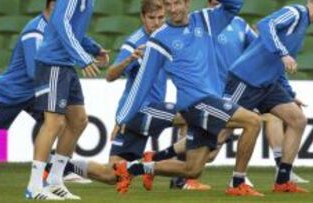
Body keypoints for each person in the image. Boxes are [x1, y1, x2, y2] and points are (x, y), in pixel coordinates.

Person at [113, 0, 265, 197]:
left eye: (177, 3)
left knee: (192, 170)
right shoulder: (159, 39)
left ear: (187, 3)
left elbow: (234, 5)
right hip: (197, 103)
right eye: (168, 5)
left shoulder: (206, 20)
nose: (173, 9)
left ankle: (133, 168)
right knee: (253, 122)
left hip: (208, 102)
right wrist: (123, 118)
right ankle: (238, 182)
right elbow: (143, 83)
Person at [168, 0, 308, 190]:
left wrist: (288, 93)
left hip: (239, 87)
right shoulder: (198, 23)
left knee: (273, 119)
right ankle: (171, 167)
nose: (218, 6)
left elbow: (265, 53)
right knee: (209, 148)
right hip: (210, 89)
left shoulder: (239, 25)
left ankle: (267, 176)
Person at [55, 0, 186, 191]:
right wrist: (130, 58)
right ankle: (169, 171)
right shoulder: (134, 43)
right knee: (193, 117)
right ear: (142, 17)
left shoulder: (166, 38)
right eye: (151, 18)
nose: (156, 23)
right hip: (140, 110)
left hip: (138, 115)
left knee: (111, 174)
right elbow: (110, 75)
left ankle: (61, 166)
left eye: (160, 18)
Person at [223, 0, 313, 193]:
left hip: (268, 85)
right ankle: (165, 162)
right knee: (217, 134)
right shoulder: (295, 12)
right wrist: (283, 53)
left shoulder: (303, 26)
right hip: (245, 79)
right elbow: (265, 24)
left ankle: (282, 180)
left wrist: (289, 95)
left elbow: (278, 68)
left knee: (297, 120)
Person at [26, 0, 109, 200]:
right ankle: (34, 186)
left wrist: (94, 48)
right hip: (53, 63)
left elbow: (74, 29)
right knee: (54, 123)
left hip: (65, 65)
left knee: (79, 120)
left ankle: (55, 180)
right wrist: (83, 57)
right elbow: (61, 22)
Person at [0, 0, 54, 132]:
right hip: (8, 94)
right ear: (53, 5)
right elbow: (34, 72)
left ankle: (43, 153)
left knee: (58, 121)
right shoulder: (35, 31)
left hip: (31, 94)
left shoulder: (55, 30)